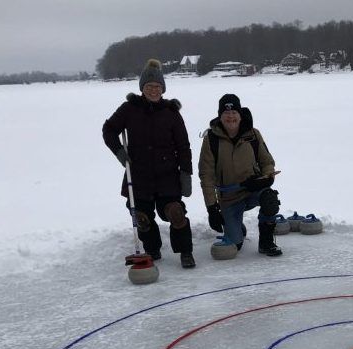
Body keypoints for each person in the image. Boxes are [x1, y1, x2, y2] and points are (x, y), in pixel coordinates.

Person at [102, 59, 196, 268]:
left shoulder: (171, 112)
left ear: (162, 88)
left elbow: (183, 146)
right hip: (139, 175)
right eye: (149, 87)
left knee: (176, 212)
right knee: (141, 216)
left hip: (167, 176)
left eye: (157, 87)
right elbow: (108, 130)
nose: (153, 90)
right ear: (142, 88)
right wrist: (119, 152)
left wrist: (185, 173)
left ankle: (185, 251)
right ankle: (152, 248)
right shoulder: (129, 109)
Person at [198, 93, 282, 257]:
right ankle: (236, 227)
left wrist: (263, 181)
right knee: (236, 244)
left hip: (253, 190)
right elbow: (206, 175)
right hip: (229, 197)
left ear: (240, 114)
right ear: (220, 116)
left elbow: (267, 162)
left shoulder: (253, 134)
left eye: (234, 112)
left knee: (269, 199)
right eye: (226, 113)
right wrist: (212, 208)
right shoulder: (211, 140)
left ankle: (266, 243)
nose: (230, 117)